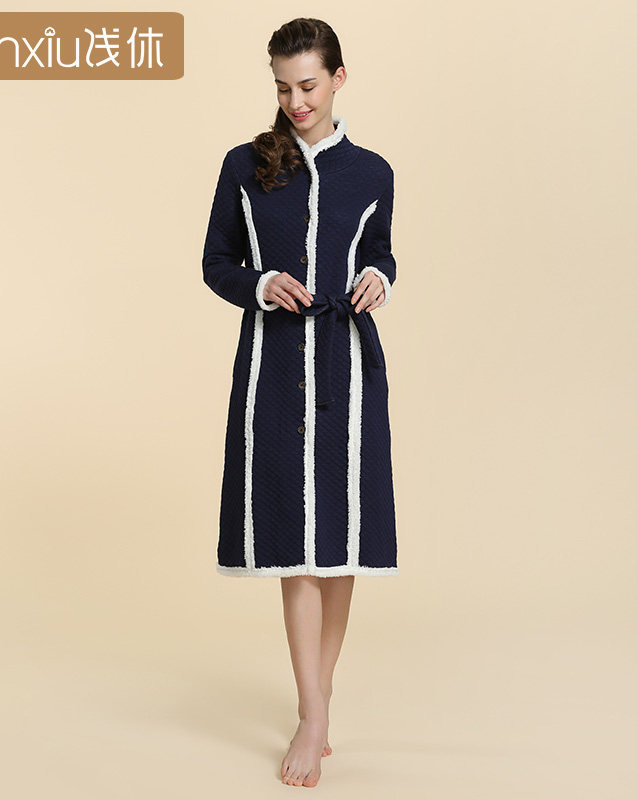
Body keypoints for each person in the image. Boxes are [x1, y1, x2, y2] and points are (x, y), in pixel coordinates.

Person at [202, 17, 398, 788]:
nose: (296, 102)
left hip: (348, 366)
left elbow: (379, 252)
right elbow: (217, 262)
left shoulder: (373, 172)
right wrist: (260, 285)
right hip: (276, 365)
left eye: (308, 85)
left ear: (338, 79)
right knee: (293, 545)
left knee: (340, 545)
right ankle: (312, 713)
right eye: (283, 88)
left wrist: (380, 278)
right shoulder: (245, 166)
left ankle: (319, 704)